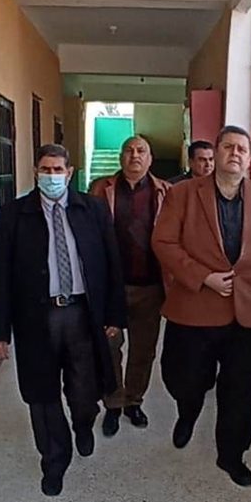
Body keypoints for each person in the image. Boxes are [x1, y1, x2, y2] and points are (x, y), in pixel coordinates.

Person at [151, 126, 251, 487]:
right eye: (228, 147)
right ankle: (188, 409)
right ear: (216, 153)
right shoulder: (182, 195)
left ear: (250, 159)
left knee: (241, 389)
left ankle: (232, 456)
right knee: (183, 377)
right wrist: (203, 277)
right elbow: (163, 242)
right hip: (195, 307)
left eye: (242, 149)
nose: (235, 153)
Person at [0, 144, 126, 496]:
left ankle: (83, 424)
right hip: (36, 317)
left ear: (70, 172)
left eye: (58, 170)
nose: (52, 176)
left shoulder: (92, 210)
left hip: (82, 314)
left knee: (84, 389)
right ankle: (53, 461)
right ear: (36, 172)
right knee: (42, 393)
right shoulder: (13, 215)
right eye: (45, 170)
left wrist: (114, 314)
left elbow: (112, 263)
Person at [88, 135, 173, 436]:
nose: (134, 155)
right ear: (120, 156)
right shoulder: (101, 189)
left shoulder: (166, 192)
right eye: (129, 150)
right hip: (111, 288)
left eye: (141, 151)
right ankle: (113, 403)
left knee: (143, 350)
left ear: (150, 158)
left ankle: (134, 401)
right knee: (110, 348)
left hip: (150, 287)